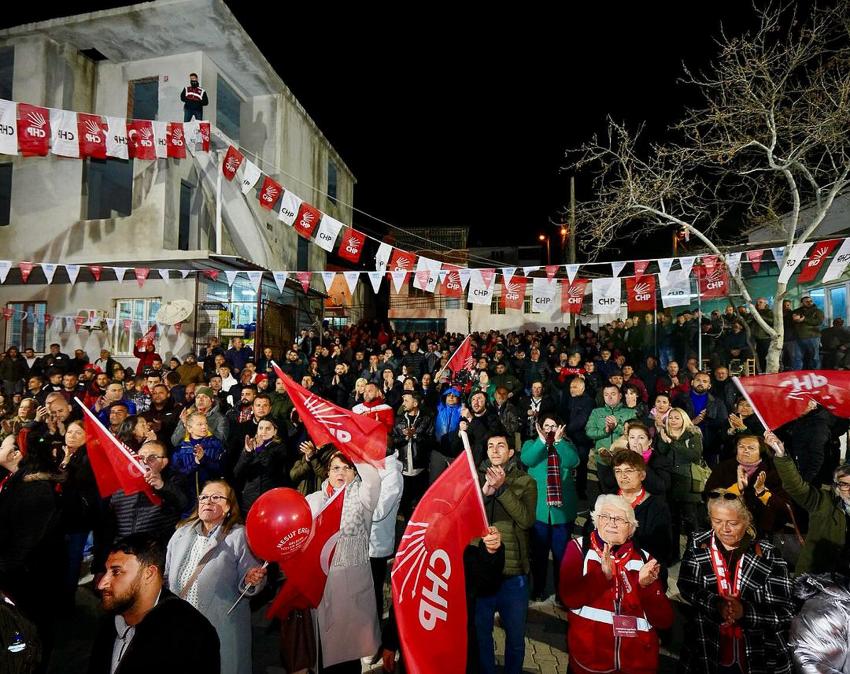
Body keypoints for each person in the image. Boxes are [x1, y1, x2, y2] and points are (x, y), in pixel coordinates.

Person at [677, 491, 794, 674]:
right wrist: (715, 604)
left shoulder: (768, 555)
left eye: (733, 523)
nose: (724, 529)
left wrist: (745, 611)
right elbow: (687, 586)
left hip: (756, 652)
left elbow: (784, 612)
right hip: (706, 645)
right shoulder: (698, 545)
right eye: (717, 521)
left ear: (747, 521)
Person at [559, 494, 673, 674]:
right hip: (590, 661)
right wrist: (601, 576)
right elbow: (569, 599)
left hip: (637, 663)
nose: (612, 523)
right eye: (605, 517)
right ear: (596, 521)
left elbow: (664, 620)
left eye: (620, 519)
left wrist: (646, 587)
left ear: (631, 528)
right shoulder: (579, 549)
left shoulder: (645, 559)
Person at [165, 480, 266, 674]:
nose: (208, 501)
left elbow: (253, 578)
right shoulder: (181, 533)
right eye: (204, 497)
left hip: (220, 627)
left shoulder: (239, 536)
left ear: (229, 507)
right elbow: (168, 575)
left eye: (216, 497)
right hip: (180, 627)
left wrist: (250, 580)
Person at [89, 534, 220, 674]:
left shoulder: (192, 634)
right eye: (106, 571)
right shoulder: (109, 622)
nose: (102, 584)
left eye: (116, 572)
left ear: (149, 574)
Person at [306, 451, 382, 673]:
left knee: (347, 654)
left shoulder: (363, 497)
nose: (340, 472)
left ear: (355, 471)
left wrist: (354, 447)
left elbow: (373, 478)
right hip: (321, 586)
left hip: (352, 587)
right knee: (322, 652)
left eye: (346, 467)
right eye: (335, 468)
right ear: (327, 473)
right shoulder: (313, 500)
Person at [475, 432, 537, 674]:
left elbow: (526, 520)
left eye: (501, 445)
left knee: (515, 635)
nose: (495, 450)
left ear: (511, 452)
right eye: (490, 446)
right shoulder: (477, 478)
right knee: (482, 633)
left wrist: (501, 490)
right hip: (482, 570)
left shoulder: (525, 481)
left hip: (513, 572)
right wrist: (485, 492)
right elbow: (466, 516)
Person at [0, 435, 63, 663]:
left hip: (28, 579)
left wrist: (4, 567)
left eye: (10, 446)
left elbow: (26, 541)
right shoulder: (15, 481)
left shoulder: (35, 489)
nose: (7, 449)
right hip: (18, 575)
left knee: (28, 634)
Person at [769, 429, 850, 575]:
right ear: (836, 486)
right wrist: (782, 456)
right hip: (815, 577)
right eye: (845, 484)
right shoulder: (821, 501)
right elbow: (796, 487)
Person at [520, 414, 579, 602]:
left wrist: (559, 443)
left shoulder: (567, 445)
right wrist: (541, 441)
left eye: (554, 426)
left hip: (562, 512)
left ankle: (562, 593)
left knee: (562, 556)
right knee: (539, 555)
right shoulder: (532, 444)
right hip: (539, 511)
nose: (550, 429)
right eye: (546, 426)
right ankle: (538, 588)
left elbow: (573, 461)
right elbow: (527, 459)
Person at [705, 434, 790, 536]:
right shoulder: (723, 468)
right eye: (741, 447)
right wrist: (737, 489)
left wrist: (762, 492)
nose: (745, 450)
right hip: (728, 528)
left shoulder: (772, 471)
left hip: (764, 531)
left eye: (751, 448)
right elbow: (710, 497)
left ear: (760, 451)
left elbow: (785, 507)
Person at [611, 450, 674, 567]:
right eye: (618, 471)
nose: (622, 476)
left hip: (642, 569)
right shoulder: (607, 500)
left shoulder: (657, 507)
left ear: (642, 475)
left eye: (629, 471)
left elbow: (663, 550)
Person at [656, 407, 705, 550]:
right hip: (670, 480)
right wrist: (663, 439)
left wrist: (672, 442)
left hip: (688, 481)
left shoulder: (692, 434)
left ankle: (693, 551)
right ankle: (673, 552)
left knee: (691, 519)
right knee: (672, 519)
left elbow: (694, 456)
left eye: (677, 418)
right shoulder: (664, 434)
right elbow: (661, 452)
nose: (673, 420)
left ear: (684, 419)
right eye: (670, 418)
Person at [597, 421, 671, 496]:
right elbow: (608, 483)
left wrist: (641, 462)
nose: (635, 442)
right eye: (632, 437)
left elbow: (662, 487)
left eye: (641, 437)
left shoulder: (660, 460)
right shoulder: (621, 456)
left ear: (649, 441)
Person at [233, 417, 288, 513]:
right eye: (261, 428)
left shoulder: (280, 447)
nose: (263, 431)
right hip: (249, 500)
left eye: (268, 428)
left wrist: (260, 449)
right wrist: (247, 453)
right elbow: (237, 472)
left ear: (275, 431)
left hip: (269, 499)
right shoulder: (251, 445)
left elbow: (270, 469)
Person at [793, 295, 824, 370]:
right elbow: (793, 322)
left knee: (814, 357)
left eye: (810, 301)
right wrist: (795, 320)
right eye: (807, 301)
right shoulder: (796, 311)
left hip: (813, 337)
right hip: (799, 337)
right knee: (798, 357)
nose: (809, 302)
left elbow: (818, 322)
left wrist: (804, 319)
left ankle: (817, 374)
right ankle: (797, 374)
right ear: (802, 303)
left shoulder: (817, 311)